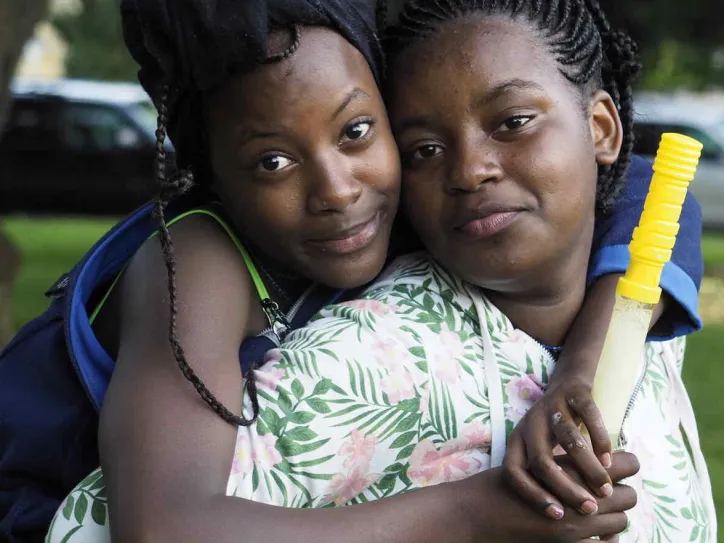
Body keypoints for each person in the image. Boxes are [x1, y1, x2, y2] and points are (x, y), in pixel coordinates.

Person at [45, 0, 712, 542]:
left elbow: (652, 194)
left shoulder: (417, 193)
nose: (336, 188)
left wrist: (584, 364)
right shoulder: (197, 261)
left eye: (358, 131)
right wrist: (468, 512)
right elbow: (159, 527)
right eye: (271, 162)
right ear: (214, 173)